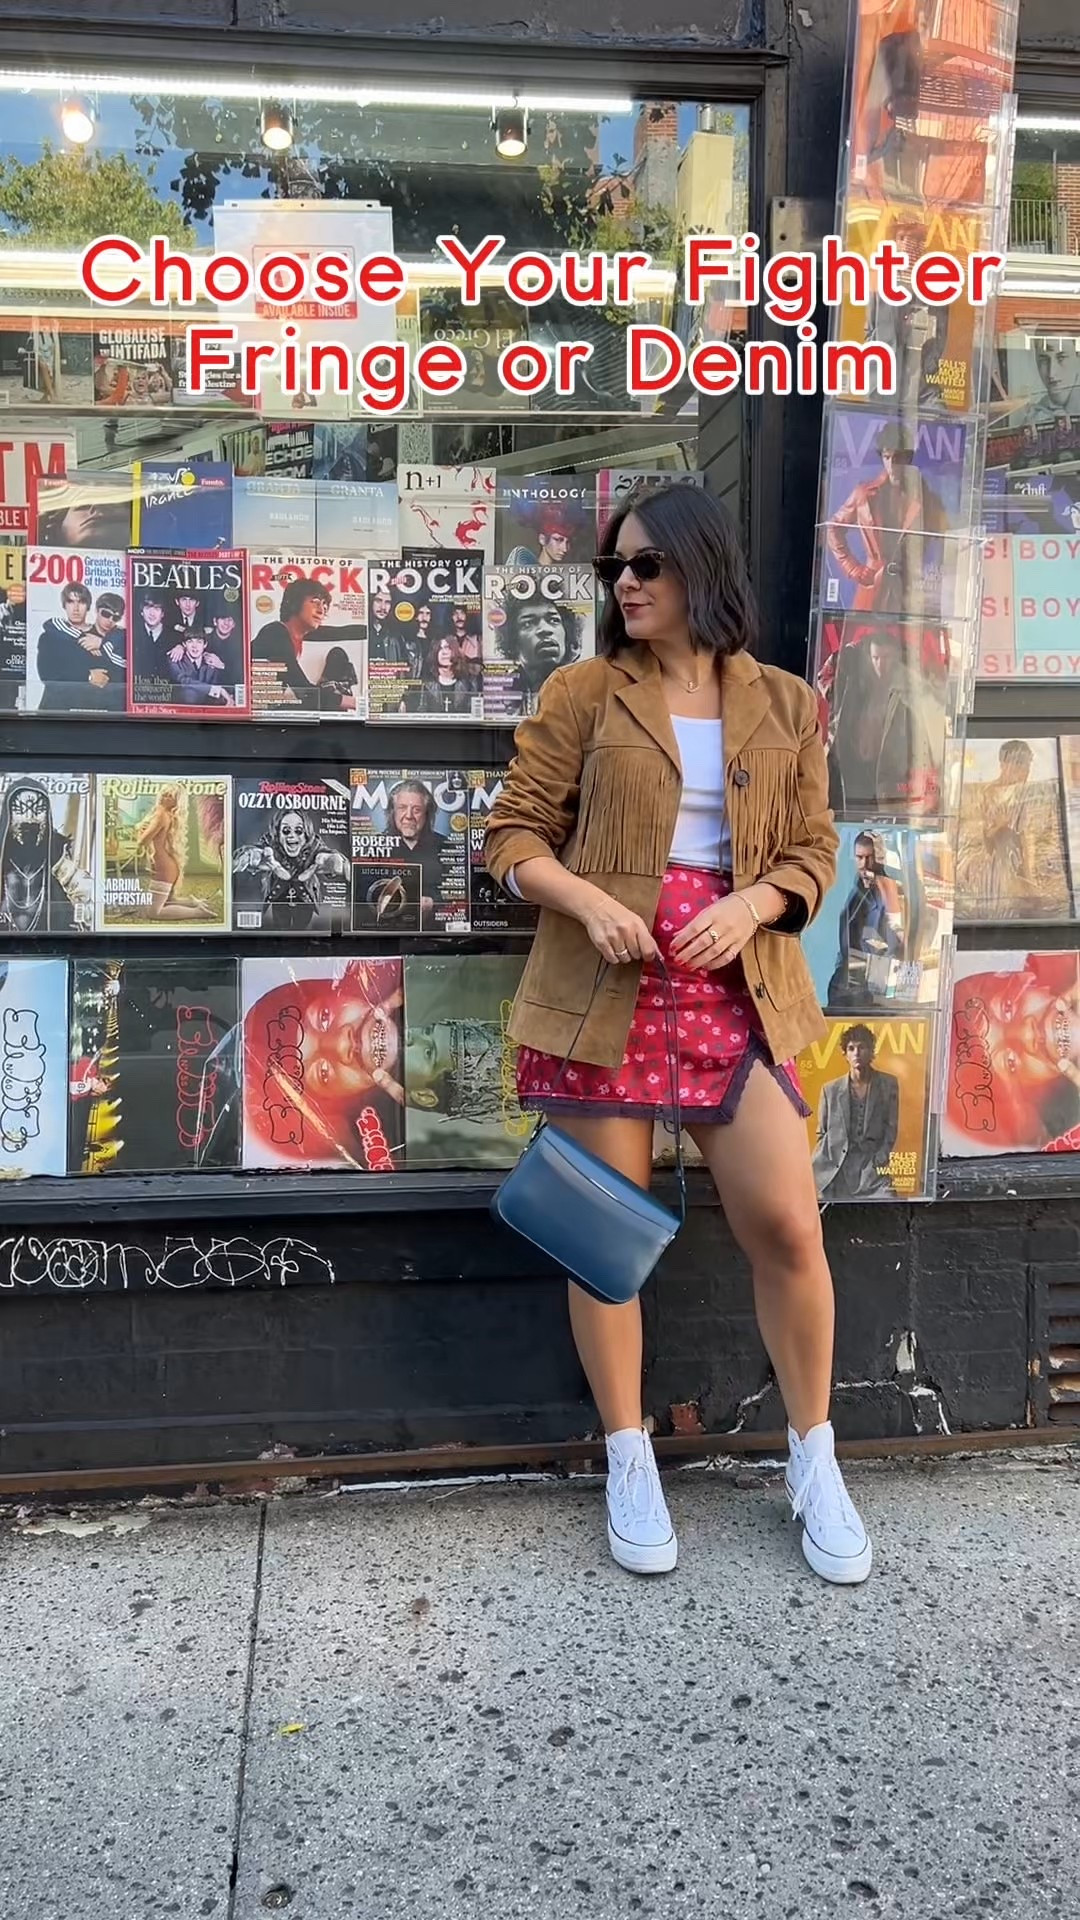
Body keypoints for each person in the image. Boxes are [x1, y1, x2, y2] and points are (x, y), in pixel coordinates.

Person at [484, 484, 871, 1586]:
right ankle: (628, 1454)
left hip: (737, 993)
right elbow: (512, 830)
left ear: (704, 568)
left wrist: (751, 906)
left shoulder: (786, 705)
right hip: (605, 990)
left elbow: (812, 850)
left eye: (647, 565)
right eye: (616, 568)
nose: (628, 584)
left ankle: (814, 1456)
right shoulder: (585, 691)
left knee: (790, 1229)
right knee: (607, 1243)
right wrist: (588, 900)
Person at [946, 953, 1080, 1153]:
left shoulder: (1062, 951)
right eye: (1010, 1062)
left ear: (1030, 981)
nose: (1027, 1034)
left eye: (1007, 1008)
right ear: (1034, 1093)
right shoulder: (1067, 1142)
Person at [827, 424, 949, 616]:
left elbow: (947, 538)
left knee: (908, 643)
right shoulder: (864, 494)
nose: (892, 465)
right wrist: (854, 569)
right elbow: (833, 528)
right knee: (859, 642)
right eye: (887, 457)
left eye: (898, 457)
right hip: (872, 585)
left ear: (908, 458)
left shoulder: (927, 499)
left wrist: (933, 580)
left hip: (908, 589)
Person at [828, 625, 944, 815]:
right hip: (853, 771)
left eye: (887, 658)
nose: (881, 665)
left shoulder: (907, 689)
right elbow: (824, 679)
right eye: (876, 658)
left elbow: (930, 716)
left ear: (896, 658)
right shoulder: (856, 684)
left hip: (891, 777)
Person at [812, 1026, 899, 1200]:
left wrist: (879, 1159)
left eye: (862, 1047)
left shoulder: (888, 1084)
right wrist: (828, 1161)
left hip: (871, 1169)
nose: (857, 1053)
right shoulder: (830, 1090)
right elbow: (821, 1133)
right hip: (836, 1170)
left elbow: (891, 1128)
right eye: (851, 1048)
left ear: (871, 1051)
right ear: (845, 1054)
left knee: (889, 1202)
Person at [234, 806, 349, 933]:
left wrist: (336, 861)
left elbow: (327, 855)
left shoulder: (314, 845)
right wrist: (250, 854)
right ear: (278, 833)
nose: (292, 836)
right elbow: (257, 850)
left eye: (298, 831)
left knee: (304, 929)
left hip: (306, 898)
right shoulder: (271, 844)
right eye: (286, 831)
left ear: (306, 833)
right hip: (279, 897)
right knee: (280, 928)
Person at [827, 833, 904, 1007]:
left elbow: (899, 931)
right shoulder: (857, 888)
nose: (864, 864)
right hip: (849, 977)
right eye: (859, 857)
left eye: (869, 858)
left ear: (878, 859)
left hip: (872, 981)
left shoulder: (885, 885)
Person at [134, 786, 218, 921]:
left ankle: (198, 912)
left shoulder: (160, 814)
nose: (164, 797)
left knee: (154, 912)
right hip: (168, 866)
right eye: (164, 793)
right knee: (167, 900)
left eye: (170, 796)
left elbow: (142, 842)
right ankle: (192, 902)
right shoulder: (167, 815)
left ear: (176, 802)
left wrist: (138, 830)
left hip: (164, 868)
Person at [251, 576, 333, 709]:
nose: (321, 610)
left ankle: (333, 688)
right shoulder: (274, 633)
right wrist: (354, 702)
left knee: (337, 655)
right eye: (316, 602)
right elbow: (303, 689)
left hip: (269, 706)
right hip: (253, 712)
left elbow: (341, 631)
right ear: (296, 602)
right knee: (325, 703)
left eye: (325, 606)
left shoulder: (295, 635)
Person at [491, 596, 582, 716]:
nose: (545, 629)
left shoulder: (583, 687)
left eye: (554, 620)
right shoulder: (501, 694)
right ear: (513, 641)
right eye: (528, 623)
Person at [386, 779, 448, 920]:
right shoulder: (375, 845)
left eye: (417, 810)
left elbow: (462, 890)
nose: (409, 816)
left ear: (427, 814)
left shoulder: (446, 846)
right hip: (385, 930)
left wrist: (434, 902)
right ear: (392, 812)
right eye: (402, 808)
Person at [414, 634, 475, 716]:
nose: (444, 652)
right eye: (440, 649)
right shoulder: (426, 685)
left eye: (447, 648)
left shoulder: (468, 685)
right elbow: (421, 713)